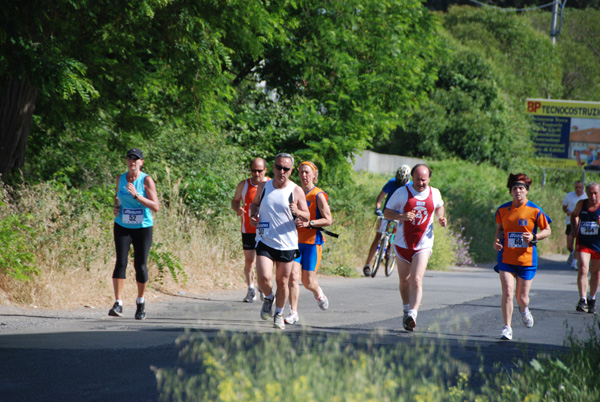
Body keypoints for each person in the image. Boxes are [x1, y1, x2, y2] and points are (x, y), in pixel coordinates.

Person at [250, 153, 310, 329]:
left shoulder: (296, 190)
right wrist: (254, 215)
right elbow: (255, 204)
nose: (281, 171)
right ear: (273, 167)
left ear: (291, 171)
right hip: (265, 238)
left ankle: (278, 313)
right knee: (264, 277)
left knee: (282, 281)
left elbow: (307, 214)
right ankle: (269, 297)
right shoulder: (264, 186)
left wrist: (297, 212)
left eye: (286, 169)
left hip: (287, 243)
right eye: (278, 167)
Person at [383, 164, 446, 332]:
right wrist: (401, 216)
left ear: (429, 179)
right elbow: (387, 212)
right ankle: (406, 310)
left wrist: (440, 218)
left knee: (416, 279)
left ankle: (413, 313)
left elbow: (439, 206)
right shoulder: (402, 192)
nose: (421, 183)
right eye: (417, 179)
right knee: (404, 281)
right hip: (402, 244)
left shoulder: (435, 193)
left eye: (424, 180)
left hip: (423, 244)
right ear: (412, 178)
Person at [493, 173, 551, 340]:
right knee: (508, 293)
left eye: (521, 188)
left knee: (522, 298)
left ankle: (524, 310)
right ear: (510, 191)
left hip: (526, 259)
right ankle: (507, 327)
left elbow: (547, 230)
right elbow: (499, 230)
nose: (518, 191)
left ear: (526, 191)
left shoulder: (535, 210)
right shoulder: (503, 210)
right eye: (515, 188)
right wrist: (496, 242)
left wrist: (534, 237)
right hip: (506, 258)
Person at [109, 148, 160, 320]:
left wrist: (137, 195)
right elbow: (118, 196)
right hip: (122, 224)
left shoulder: (146, 180)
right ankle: (118, 303)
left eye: (136, 159)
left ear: (141, 162)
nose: (132, 161)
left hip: (143, 226)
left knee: (140, 265)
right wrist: (116, 206)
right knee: (121, 262)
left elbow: (156, 206)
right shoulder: (120, 178)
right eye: (130, 158)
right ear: (126, 161)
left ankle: (140, 302)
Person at [284, 161, 333, 325]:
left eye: (307, 172)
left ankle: (318, 292)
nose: (304, 175)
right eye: (301, 172)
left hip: (312, 243)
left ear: (314, 175)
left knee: (308, 282)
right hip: (294, 242)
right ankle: (293, 312)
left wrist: (309, 223)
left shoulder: (318, 195)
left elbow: (328, 220)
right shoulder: (293, 192)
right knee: (293, 277)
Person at [231, 157, 270, 302]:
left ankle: (264, 289)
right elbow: (234, 201)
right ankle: (251, 289)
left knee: (265, 261)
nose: (257, 173)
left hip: (265, 229)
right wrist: (238, 209)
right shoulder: (244, 185)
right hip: (247, 229)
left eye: (260, 170)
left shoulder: (271, 184)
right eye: (254, 170)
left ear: (265, 170)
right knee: (249, 261)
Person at [363, 164, 412, 277]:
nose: (399, 183)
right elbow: (380, 197)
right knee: (378, 236)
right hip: (387, 213)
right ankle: (367, 264)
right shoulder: (392, 182)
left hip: (400, 215)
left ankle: (391, 252)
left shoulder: (410, 186)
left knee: (399, 237)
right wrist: (378, 208)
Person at [570, 182, 600, 314]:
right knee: (583, 268)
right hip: (583, 242)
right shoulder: (581, 204)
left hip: (598, 244)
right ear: (586, 193)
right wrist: (574, 229)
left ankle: (592, 298)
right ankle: (582, 299)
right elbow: (574, 215)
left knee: (595, 273)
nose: (593, 196)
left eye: (595, 193)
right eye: (590, 193)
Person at [562, 181, 586, 270]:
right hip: (570, 222)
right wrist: (567, 211)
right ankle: (572, 254)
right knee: (569, 244)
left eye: (580, 187)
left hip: (581, 222)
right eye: (577, 187)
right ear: (574, 187)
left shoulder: (586, 197)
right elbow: (564, 207)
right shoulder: (569, 196)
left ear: (583, 187)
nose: (578, 189)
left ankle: (574, 262)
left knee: (578, 243)